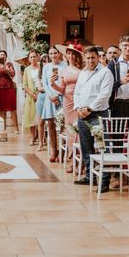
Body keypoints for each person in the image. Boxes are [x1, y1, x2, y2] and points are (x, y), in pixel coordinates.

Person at [73, 46, 113, 191]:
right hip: (82, 114)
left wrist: (89, 108)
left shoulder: (105, 72)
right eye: (88, 58)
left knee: (103, 147)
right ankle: (91, 176)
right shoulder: (82, 73)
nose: (90, 60)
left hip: (98, 114)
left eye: (93, 57)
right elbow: (77, 93)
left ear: (98, 57)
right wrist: (78, 108)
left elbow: (104, 95)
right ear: (84, 58)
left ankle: (105, 180)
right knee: (86, 146)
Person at [51, 43, 82, 171]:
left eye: (73, 54)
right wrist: (53, 84)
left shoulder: (83, 70)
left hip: (79, 101)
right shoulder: (63, 71)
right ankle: (73, 159)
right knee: (70, 131)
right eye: (68, 53)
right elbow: (61, 89)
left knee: (79, 130)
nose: (70, 56)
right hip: (67, 103)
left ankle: (81, 160)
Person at [41, 46, 66, 161]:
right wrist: (51, 95)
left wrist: (58, 94)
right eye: (51, 54)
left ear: (59, 53)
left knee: (62, 125)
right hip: (50, 97)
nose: (53, 55)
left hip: (62, 97)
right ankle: (53, 150)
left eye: (55, 53)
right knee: (51, 124)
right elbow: (45, 84)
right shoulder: (46, 67)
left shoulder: (64, 65)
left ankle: (62, 150)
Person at [0, 49, 18, 133]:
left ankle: (16, 128)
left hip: (9, 87)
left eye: (4, 55)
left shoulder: (9, 64)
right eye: (1, 55)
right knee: (1, 109)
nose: (2, 56)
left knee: (12, 108)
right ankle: (3, 127)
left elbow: (13, 74)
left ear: (6, 56)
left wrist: (6, 68)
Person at [22, 50, 41, 143]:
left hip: (41, 95)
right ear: (29, 59)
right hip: (30, 97)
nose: (33, 58)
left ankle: (41, 138)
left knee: (40, 117)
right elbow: (24, 85)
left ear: (37, 57)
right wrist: (32, 94)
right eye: (31, 57)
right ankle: (33, 137)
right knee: (31, 117)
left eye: (34, 56)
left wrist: (39, 93)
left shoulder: (42, 68)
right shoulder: (27, 70)